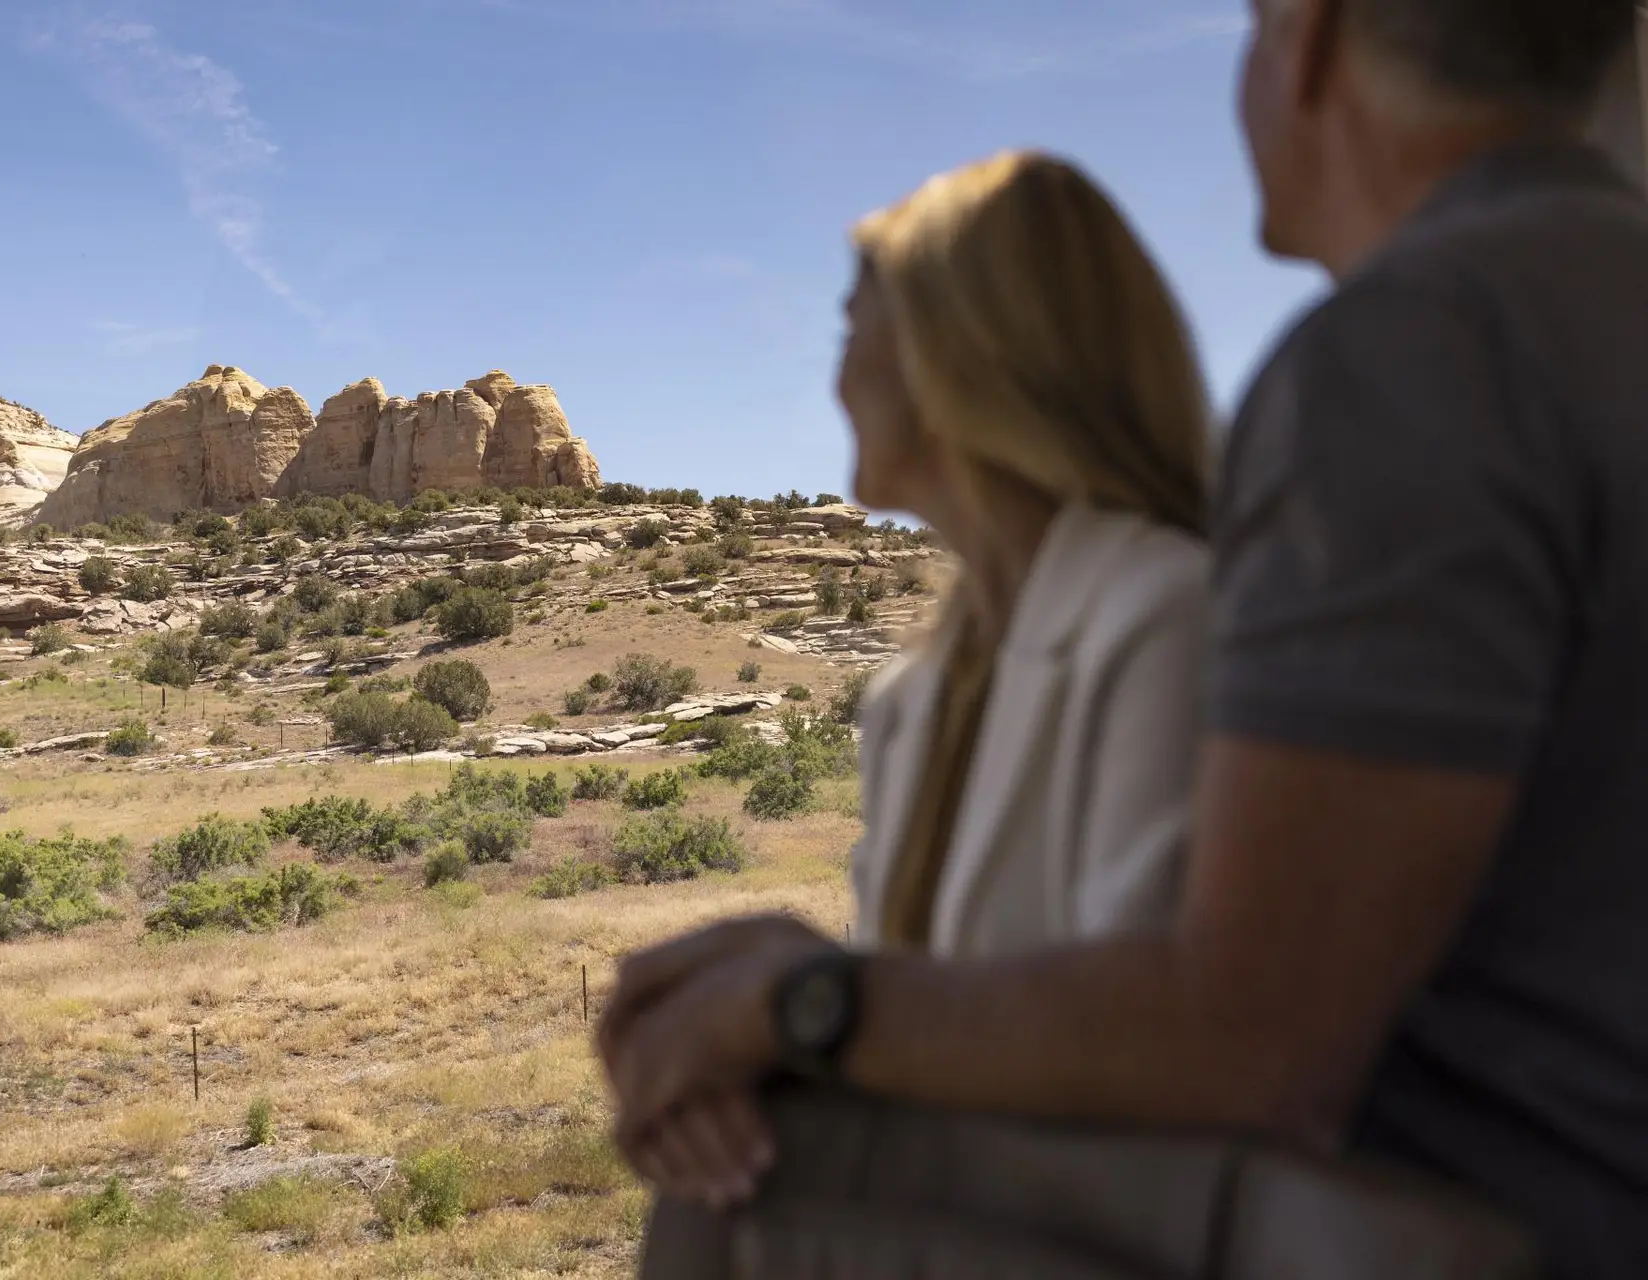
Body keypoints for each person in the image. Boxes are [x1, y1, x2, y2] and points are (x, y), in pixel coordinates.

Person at [595, 1, 1648, 1276]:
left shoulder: (1415, 352)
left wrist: (797, 1002)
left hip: (1482, 1218)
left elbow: (1253, 1041)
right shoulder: (1572, 308)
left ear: (1305, 41)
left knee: (726, 1209)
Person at [840, 151, 1210, 962]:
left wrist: (803, 1003)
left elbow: (1152, 1026)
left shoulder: (1168, 617)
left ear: (949, 360)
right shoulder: (916, 686)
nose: (837, 384)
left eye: (852, 330)